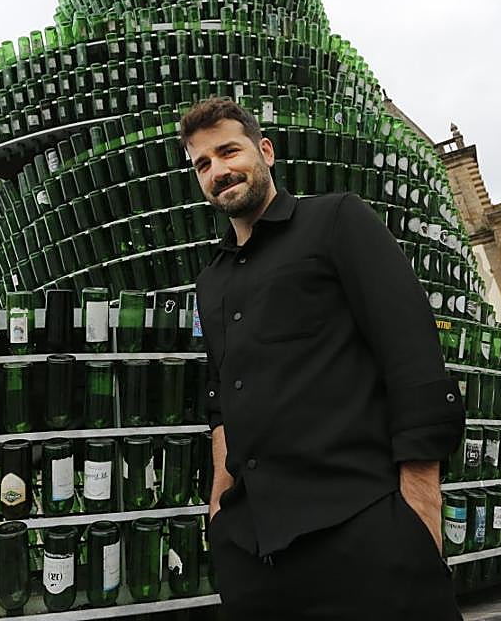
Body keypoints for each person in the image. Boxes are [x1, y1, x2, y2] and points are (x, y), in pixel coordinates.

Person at [182, 97, 465, 620]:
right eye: (203, 163)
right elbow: (222, 401)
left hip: (363, 529)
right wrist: (218, 512)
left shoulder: (336, 219)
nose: (218, 171)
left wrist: (421, 509)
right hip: (253, 554)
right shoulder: (211, 281)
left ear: (264, 151)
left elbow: (411, 355)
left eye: (229, 151)